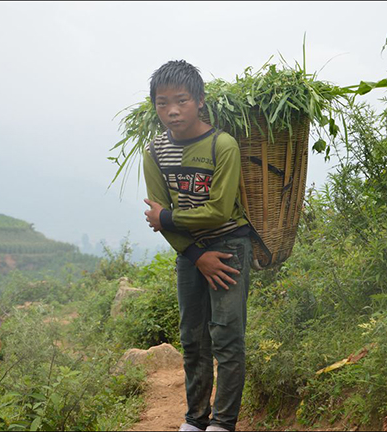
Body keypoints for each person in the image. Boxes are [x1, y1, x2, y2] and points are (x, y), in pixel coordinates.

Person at [143, 59, 253, 432]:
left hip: (230, 245)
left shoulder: (222, 145)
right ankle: (195, 420)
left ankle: (223, 423)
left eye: (181, 100)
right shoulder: (154, 152)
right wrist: (195, 255)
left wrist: (168, 219)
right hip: (190, 253)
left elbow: (217, 209)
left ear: (200, 101)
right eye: (162, 103)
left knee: (226, 335)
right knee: (192, 339)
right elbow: (157, 210)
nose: (171, 111)